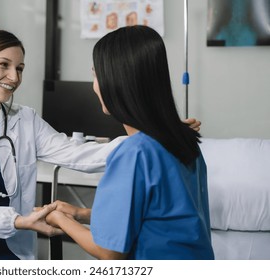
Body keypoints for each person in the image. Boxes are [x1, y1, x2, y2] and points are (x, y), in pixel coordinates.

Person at [0, 30, 201, 260]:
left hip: (7, 249)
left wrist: (155, 134)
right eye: (4, 65)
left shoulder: (24, 120)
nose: (14, 77)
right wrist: (21, 221)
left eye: (20, 68)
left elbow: (76, 153)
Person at [45, 25, 215, 260]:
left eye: (96, 74)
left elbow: (110, 252)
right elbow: (159, 216)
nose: (94, 85)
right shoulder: (185, 140)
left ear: (117, 81)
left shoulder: (133, 154)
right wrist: (80, 213)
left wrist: (61, 220)